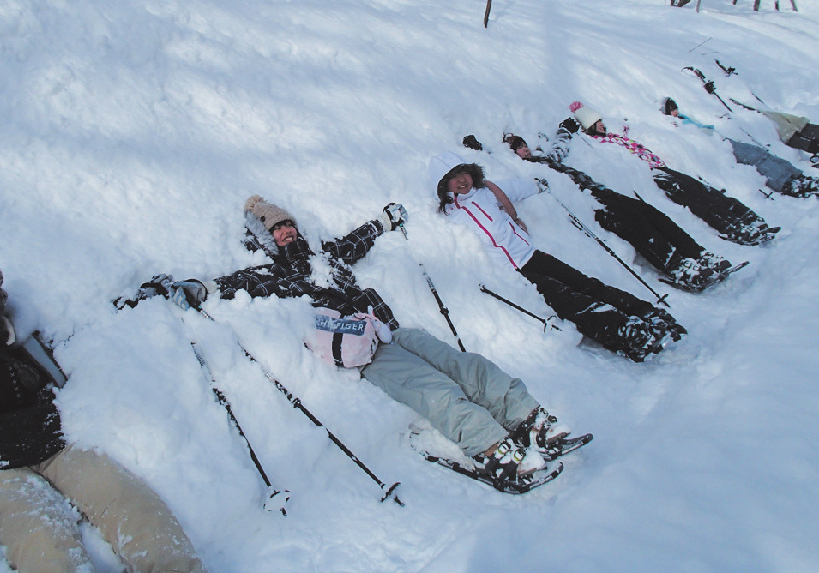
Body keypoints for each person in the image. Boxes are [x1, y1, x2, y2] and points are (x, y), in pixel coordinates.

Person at [154, 195, 581, 489]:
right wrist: (197, 287)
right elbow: (240, 282)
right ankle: (493, 449)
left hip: (393, 330)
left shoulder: (325, 255)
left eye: (288, 224)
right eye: (277, 229)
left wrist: (385, 219)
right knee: (436, 390)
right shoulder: (276, 276)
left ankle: (529, 419)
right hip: (366, 351)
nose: (286, 231)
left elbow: (356, 240)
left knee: (467, 366)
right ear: (265, 239)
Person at [0, 264, 206, 573]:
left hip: (57, 450)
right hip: (2, 469)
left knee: (126, 500)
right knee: (41, 545)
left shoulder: (24, 348)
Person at [430, 153, 685, 361]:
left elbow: (518, 188)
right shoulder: (450, 216)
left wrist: (539, 184)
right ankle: (625, 331)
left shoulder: (489, 190)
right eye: (453, 178)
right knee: (569, 300)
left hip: (532, 255)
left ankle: (647, 314)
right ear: (443, 186)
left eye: (463, 173)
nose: (461, 180)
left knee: (586, 284)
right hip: (514, 273)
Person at [499, 130, 734, 291]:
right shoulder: (521, 170)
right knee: (635, 225)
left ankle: (696, 253)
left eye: (523, 144)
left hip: (597, 190)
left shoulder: (543, 159)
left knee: (648, 212)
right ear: (510, 154)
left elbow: (560, 149)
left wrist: (564, 130)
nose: (524, 149)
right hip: (587, 203)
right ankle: (677, 266)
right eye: (517, 148)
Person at [563, 101, 779, 245]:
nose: (601, 125)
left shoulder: (614, 136)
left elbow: (624, 128)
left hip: (661, 167)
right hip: (653, 175)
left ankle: (746, 217)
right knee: (694, 200)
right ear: (589, 128)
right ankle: (732, 227)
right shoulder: (597, 142)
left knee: (702, 190)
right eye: (596, 124)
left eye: (601, 122)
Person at [663, 97, 818, 198]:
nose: (676, 111)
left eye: (675, 108)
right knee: (754, 158)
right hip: (714, 146)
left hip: (720, 140)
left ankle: (797, 176)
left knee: (760, 153)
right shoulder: (674, 124)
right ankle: (785, 182)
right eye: (672, 110)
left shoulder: (683, 118)